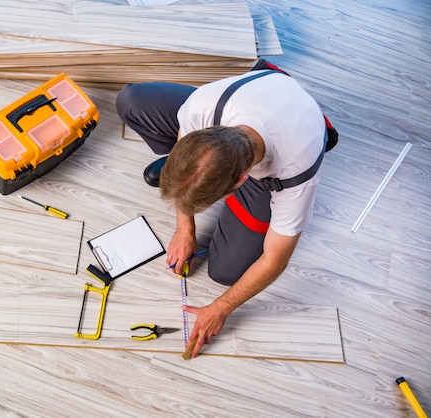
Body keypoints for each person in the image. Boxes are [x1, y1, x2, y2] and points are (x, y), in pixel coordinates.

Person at [115, 60, 328, 358]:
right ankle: (198, 179)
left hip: (287, 142)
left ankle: (223, 187)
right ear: (201, 136)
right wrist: (184, 228)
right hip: (251, 102)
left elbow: (275, 260)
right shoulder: (203, 107)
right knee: (131, 101)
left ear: (240, 182)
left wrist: (220, 308)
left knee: (227, 272)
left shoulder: (295, 174)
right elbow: (182, 148)